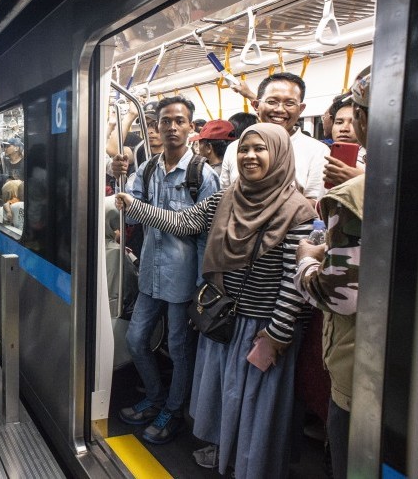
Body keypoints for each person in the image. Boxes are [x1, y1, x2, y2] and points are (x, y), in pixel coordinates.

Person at [116, 123, 316, 478]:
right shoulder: (226, 198)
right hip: (225, 321)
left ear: (281, 155)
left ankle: (250, 466)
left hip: (263, 327)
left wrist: (278, 333)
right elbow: (182, 222)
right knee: (228, 396)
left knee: (254, 405)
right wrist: (135, 205)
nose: (249, 156)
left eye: (260, 149)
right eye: (244, 149)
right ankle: (224, 455)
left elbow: (292, 282)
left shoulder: (297, 211)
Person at [112, 96, 220, 444]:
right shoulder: (146, 169)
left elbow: (203, 231)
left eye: (179, 121)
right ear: (156, 126)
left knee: (178, 347)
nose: (171, 127)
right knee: (136, 340)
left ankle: (172, 411)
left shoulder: (203, 175)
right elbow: (128, 213)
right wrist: (119, 180)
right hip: (151, 274)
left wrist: (203, 287)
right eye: (165, 121)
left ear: (191, 127)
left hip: (184, 278)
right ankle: (157, 397)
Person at [295, 69, 370, 479]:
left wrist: (307, 260)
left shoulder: (350, 197)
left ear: (360, 118)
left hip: (363, 364)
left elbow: (339, 294)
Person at [221, 72, 329, 204]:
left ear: (300, 109)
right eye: (272, 102)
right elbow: (225, 197)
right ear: (256, 106)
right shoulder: (235, 148)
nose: (280, 109)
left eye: (289, 103)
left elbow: (315, 205)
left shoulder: (317, 152)